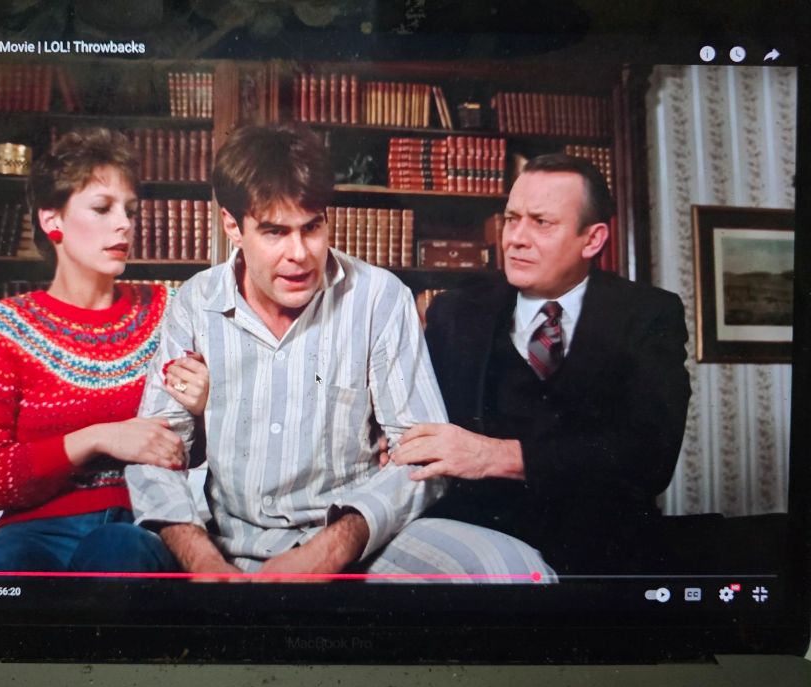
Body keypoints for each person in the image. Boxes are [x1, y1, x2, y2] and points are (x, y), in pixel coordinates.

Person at [124, 124, 553, 581]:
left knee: (515, 570)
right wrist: (201, 559)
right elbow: (156, 454)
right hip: (226, 542)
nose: (299, 253)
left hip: (361, 539)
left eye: (312, 227)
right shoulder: (196, 302)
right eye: (275, 232)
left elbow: (422, 456)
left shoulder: (380, 297)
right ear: (232, 226)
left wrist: (332, 549)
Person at [391, 153, 691, 573]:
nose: (516, 238)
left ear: (592, 239)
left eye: (541, 222)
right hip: (479, 553)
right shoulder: (456, 311)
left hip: (602, 561)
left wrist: (497, 456)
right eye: (512, 219)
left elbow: (649, 457)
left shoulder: (648, 315)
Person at [0, 127, 208, 574]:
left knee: (119, 552)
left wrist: (207, 408)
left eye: (130, 210)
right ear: (53, 221)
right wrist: (96, 437)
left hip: (139, 523)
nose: (124, 224)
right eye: (103, 208)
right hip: (31, 532)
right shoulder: (0, 327)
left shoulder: (169, 309)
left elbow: (195, 450)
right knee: (5, 571)